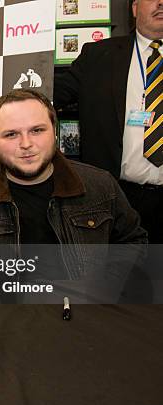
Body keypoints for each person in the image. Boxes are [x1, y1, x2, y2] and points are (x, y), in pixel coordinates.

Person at [0, 90, 146, 281]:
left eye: (37, 130)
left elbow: (133, 243)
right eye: (11, 134)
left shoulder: (100, 186)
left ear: (54, 131)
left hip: (84, 318)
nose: (26, 144)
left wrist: (102, 291)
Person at [54, 0, 163, 242]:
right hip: (116, 200)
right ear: (134, 8)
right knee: (116, 277)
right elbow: (47, 98)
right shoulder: (97, 56)